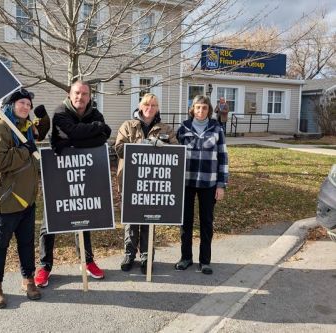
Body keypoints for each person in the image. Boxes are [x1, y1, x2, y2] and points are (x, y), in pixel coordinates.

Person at [35, 80, 112, 287]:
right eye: (77, 93)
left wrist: (71, 141)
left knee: (83, 216)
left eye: (85, 94)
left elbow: (103, 137)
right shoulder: (60, 112)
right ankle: (44, 266)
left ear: (89, 96)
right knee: (49, 221)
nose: (80, 97)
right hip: (60, 172)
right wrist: (92, 130)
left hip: (85, 171)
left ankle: (86, 261)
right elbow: (70, 134)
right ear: (70, 94)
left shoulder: (95, 113)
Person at [0, 88, 50, 309]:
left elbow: (39, 133)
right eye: (22, 103)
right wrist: (24, 151)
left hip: (25, 199)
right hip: (4, 200)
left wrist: (44, 119)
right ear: (10, 105)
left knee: (26, 243)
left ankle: (28, 279)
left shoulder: (23, 128)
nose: (26, 107)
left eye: (28, 105)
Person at [114, 93, 177, 274]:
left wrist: (163, 146)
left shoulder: (165, 128)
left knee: (150, 218)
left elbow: (176, 149)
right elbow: (118, 149)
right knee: (131, 218)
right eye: (147, 104)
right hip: (130, 179)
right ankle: (129, 254)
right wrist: (141, 144)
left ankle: (147, 255)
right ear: (140, 106)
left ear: (157, 108)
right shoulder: (128, 125)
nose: (150, 108)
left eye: (154, 105)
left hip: (153, 182)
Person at [175, 95, 228, 275]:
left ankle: (205, 261)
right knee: (185, 223)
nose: (200, 111)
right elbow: (173, 153)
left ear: (209, 110)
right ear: (192, 109)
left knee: (206, 222)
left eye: (204, 108)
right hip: (186, 182)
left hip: (209, 182)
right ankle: (186, 258)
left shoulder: (216, 129)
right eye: (197, 107)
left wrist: (221, 185)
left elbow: (223, 157)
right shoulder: (183, 128)